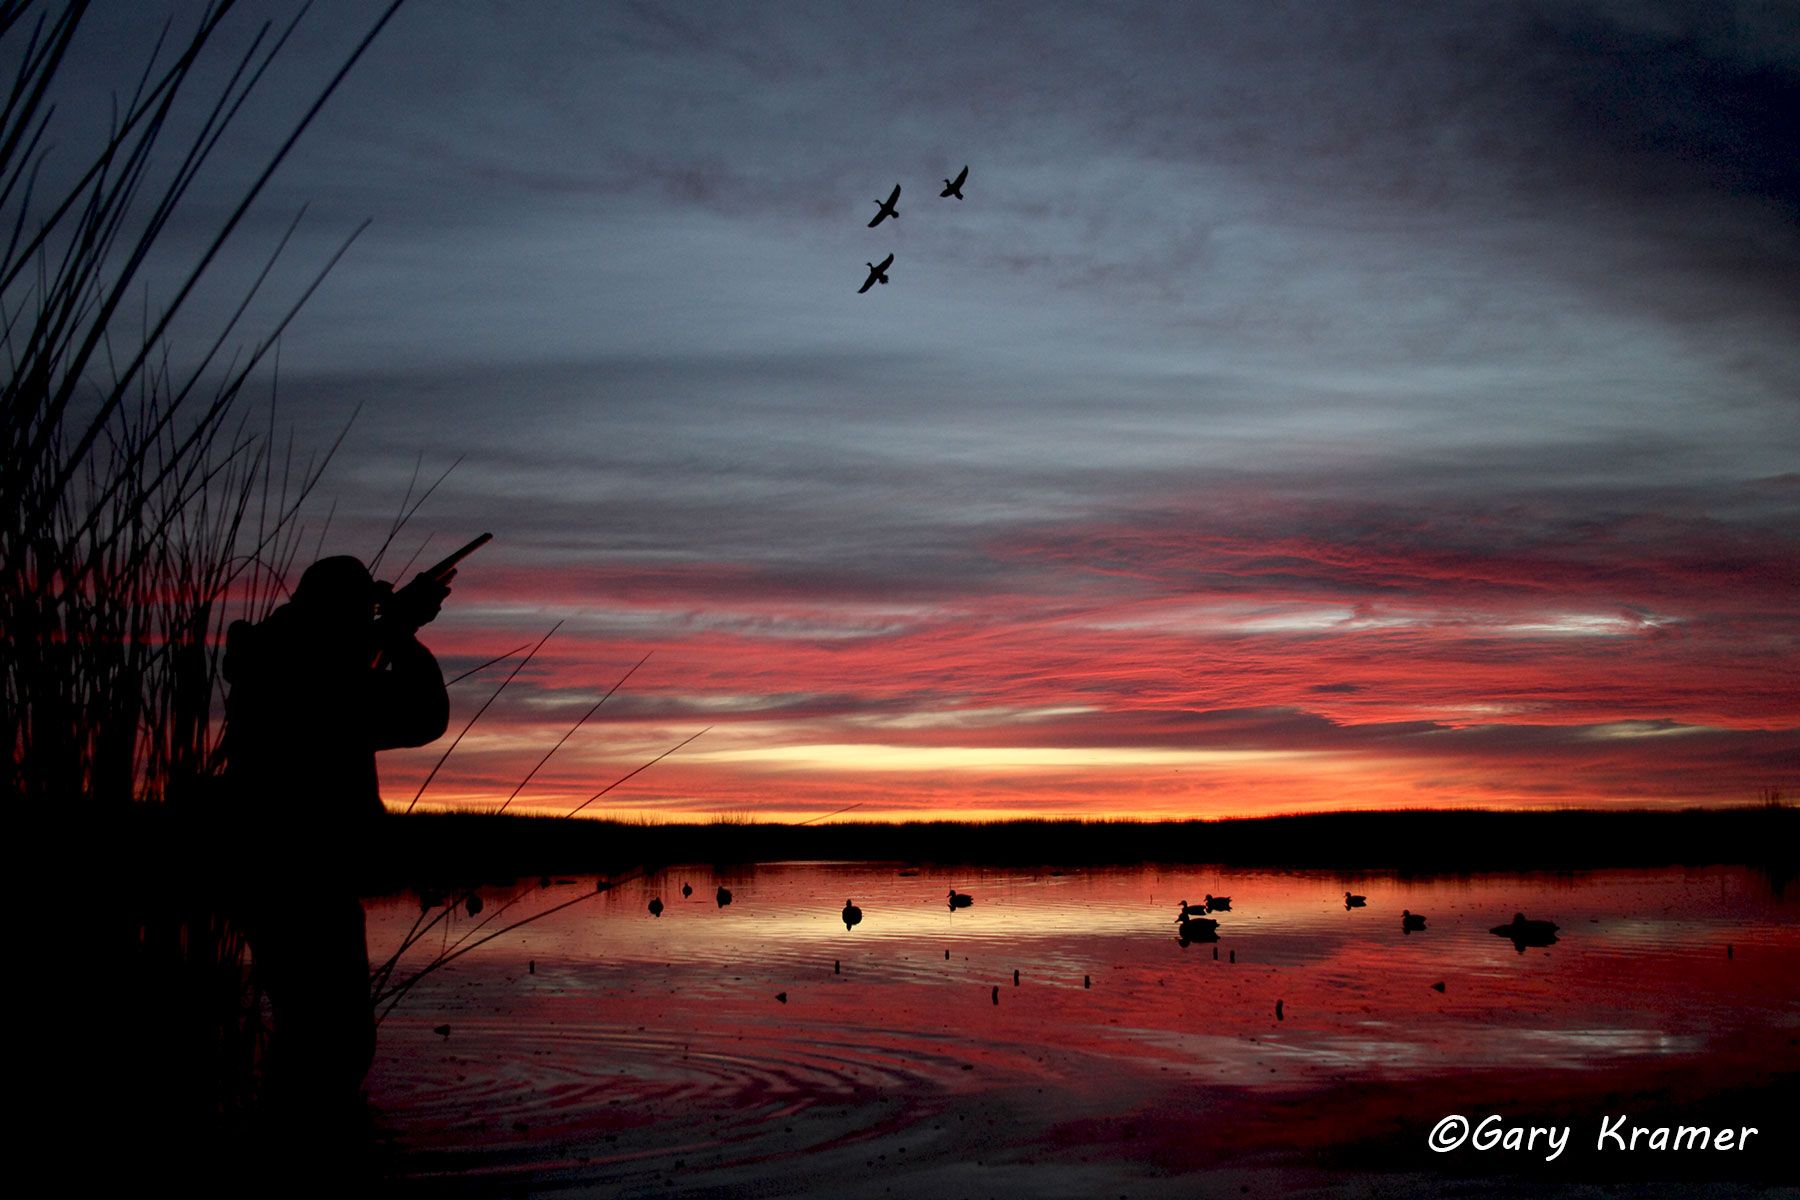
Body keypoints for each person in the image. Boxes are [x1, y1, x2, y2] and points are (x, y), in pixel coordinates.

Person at [222, 554, 452, 1130]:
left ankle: (298, 1135)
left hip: (268, 877)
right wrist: (399, 633)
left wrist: (392, 630)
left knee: (312, 1033)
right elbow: (423, 715)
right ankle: (315, 1150)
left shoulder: (279, 660)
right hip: (306, 882)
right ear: (336, 615)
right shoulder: (311, 676)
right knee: (335, 1042)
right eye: (358, 608)